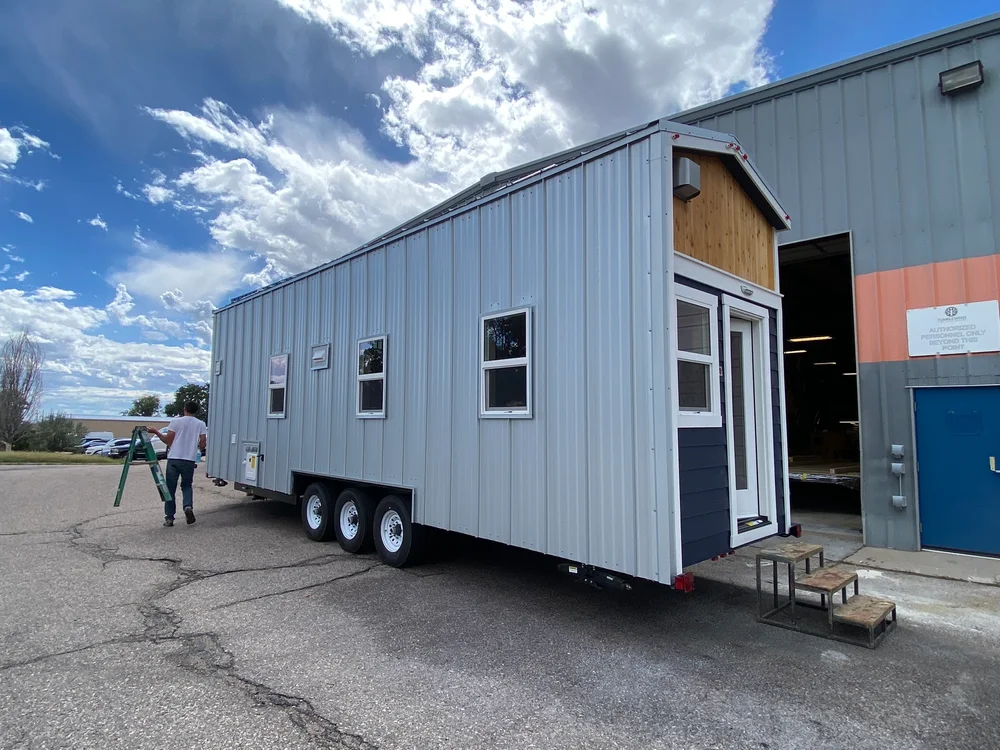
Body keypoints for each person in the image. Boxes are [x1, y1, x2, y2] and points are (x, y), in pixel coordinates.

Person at [150, 401, 207, 527]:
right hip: (189, 460)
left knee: (170, 488)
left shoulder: (176, 422)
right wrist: (196, 447)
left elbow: (167, 441)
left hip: (174, 458)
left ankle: (169, 518)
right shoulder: (201, 424)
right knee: (187, 485)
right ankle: (188, 507)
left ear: (184, 409)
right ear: (196, 411)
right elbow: (203, 443)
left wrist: (155, 431)